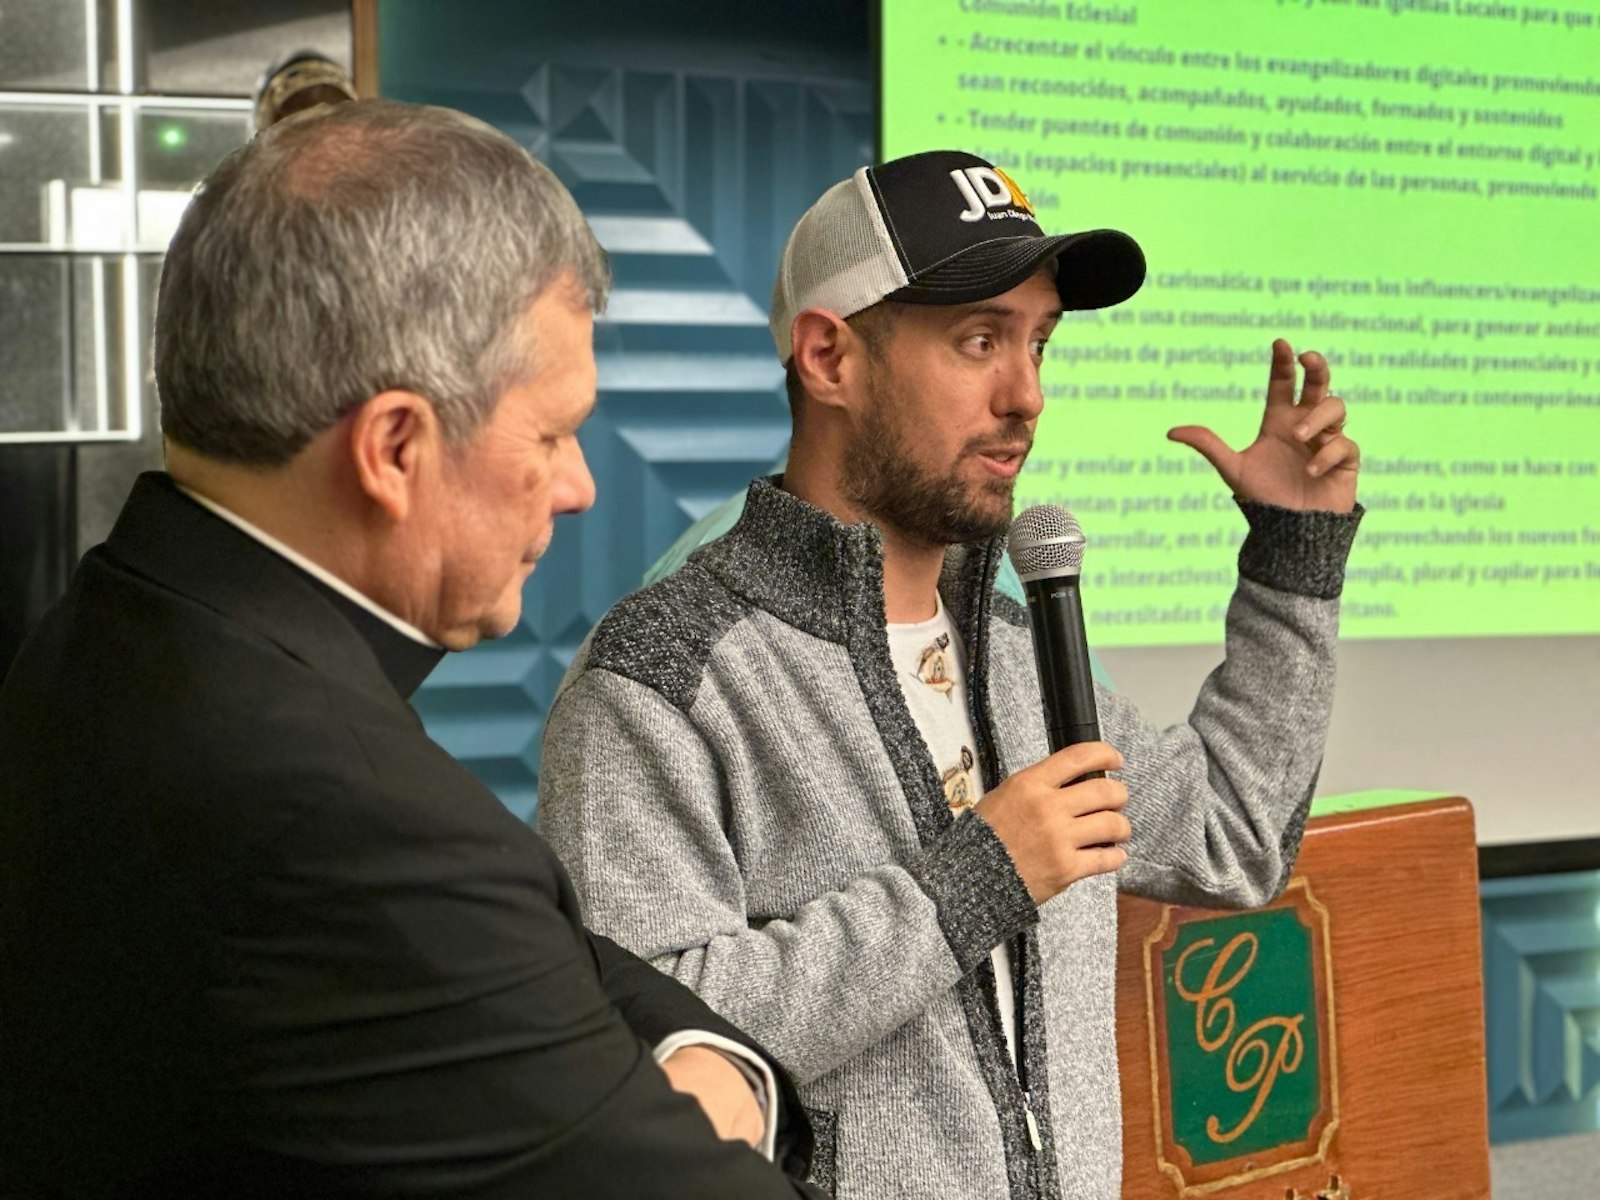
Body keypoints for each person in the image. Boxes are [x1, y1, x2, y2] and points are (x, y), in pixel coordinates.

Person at [0, 99, 826, 1199]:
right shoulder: (348, 815)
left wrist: (692, 1049)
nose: (578, 487)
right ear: (394, 446)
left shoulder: (120, 626)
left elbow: (515, 944)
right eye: (551, 434)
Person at [537, 149, 1363, 1199]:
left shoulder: (1020, 653)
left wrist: (1294, 563)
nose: (1026, 395)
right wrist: (975, 880)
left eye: (1040, 343)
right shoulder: (662, 676)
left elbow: (1232, 843)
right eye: (979, 340)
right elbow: (639, 1048)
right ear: (829, 358)